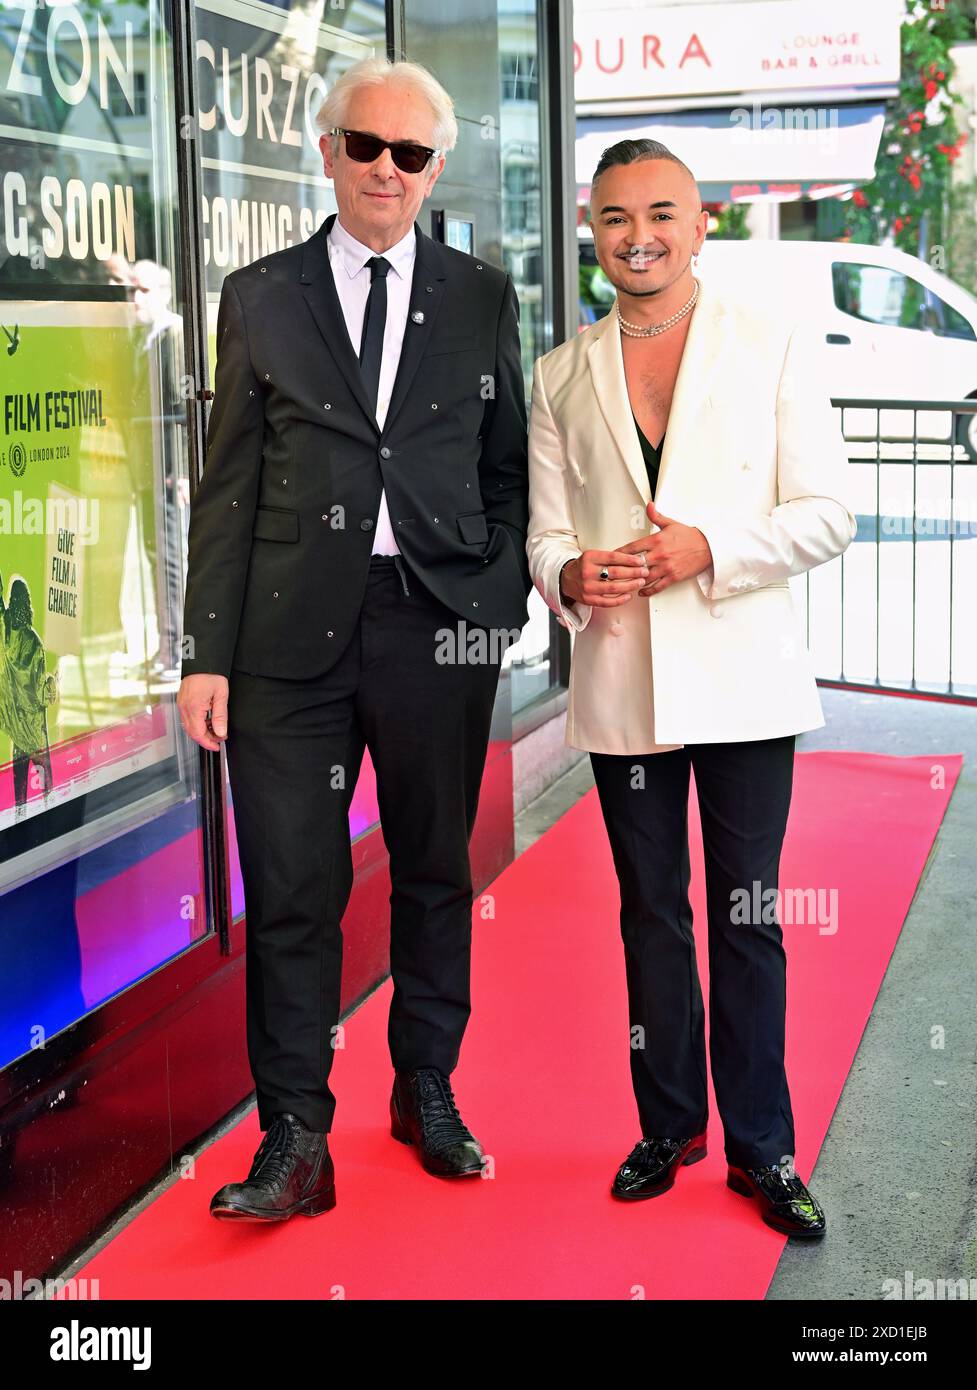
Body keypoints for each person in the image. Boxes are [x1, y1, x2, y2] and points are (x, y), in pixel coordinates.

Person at [177, 57, 530, 1221]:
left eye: (410, 153)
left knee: (432, 870)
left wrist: (491, 601)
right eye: (366, 146)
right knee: (292, 888)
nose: (387, 168)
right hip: (284, 641)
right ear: (326, 152)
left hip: (437, 629)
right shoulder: (259, 295)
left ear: (436, 170)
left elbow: (507, 468)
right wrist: (205, 651)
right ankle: (294, 1136)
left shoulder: (480, 297)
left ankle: (425, 1086)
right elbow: (227, 484)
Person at [526, 138, 857, 1238]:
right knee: (649, 916)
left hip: (745, 683)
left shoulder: (769, 342)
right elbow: (544, 534)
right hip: (623, 685)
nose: (639, 237)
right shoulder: (558, 374)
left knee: (745, 916)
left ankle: (764, 1150)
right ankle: (668, 1125)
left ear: (700, 222)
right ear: (592, 230)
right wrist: (568, 574)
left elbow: (828, 513)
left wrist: (710, 547)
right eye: (616, 218)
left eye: (660, 212)